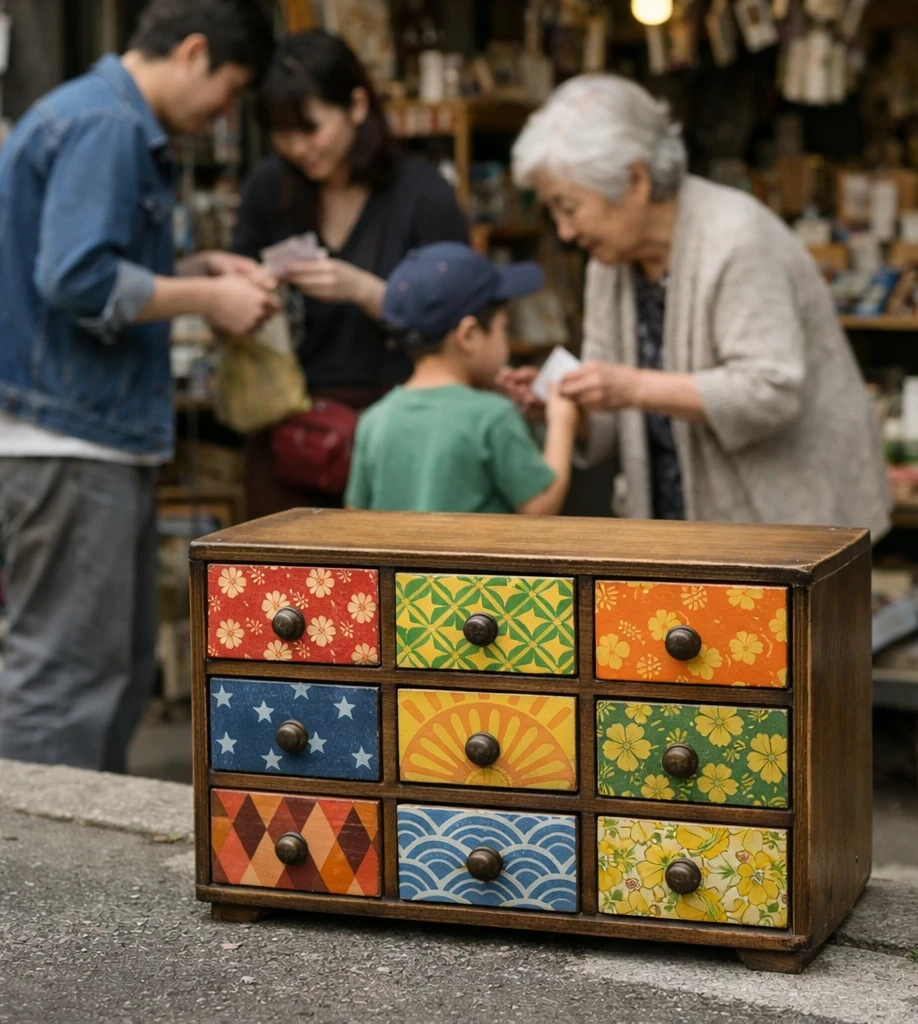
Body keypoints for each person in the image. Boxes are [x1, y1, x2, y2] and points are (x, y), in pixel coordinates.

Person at [0, 0, 278, 771]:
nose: (223, 113)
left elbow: (80, 268)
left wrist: (196, 269)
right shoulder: (108, 125)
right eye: (229, 89)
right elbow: (77, 278)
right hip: (69, 438)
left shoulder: (90, 114)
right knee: (67, 677)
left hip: (75, 432)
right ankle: (37, 843)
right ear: (192, 52)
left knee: (101, 669)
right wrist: (209, 298)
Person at [503, 74, 891, 538]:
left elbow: (770, 392)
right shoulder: (610, 261)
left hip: (792, 526)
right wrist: (568, 406)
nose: (565, 231)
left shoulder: (737, 239)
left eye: (569, 207)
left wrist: (631, 386)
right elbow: (619, 415)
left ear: (635, 180)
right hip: (682, 531)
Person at [232, 30, 470, 519]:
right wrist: (245, 290)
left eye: (310, 128)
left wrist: (366, 292)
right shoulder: (268, 189)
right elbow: (236, 291)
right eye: (282, 133)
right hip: (290, 426)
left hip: (401, 427)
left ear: (357, 106)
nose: (298, 147)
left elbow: (461, 324)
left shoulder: (422, 194)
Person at [345, 243, 579, 516]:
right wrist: (562, 421)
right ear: (468, 335)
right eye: (504, 329)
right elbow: (541, 506)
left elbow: (354, 514)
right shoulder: (493, 417)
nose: (505, 340)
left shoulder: (374, 420)